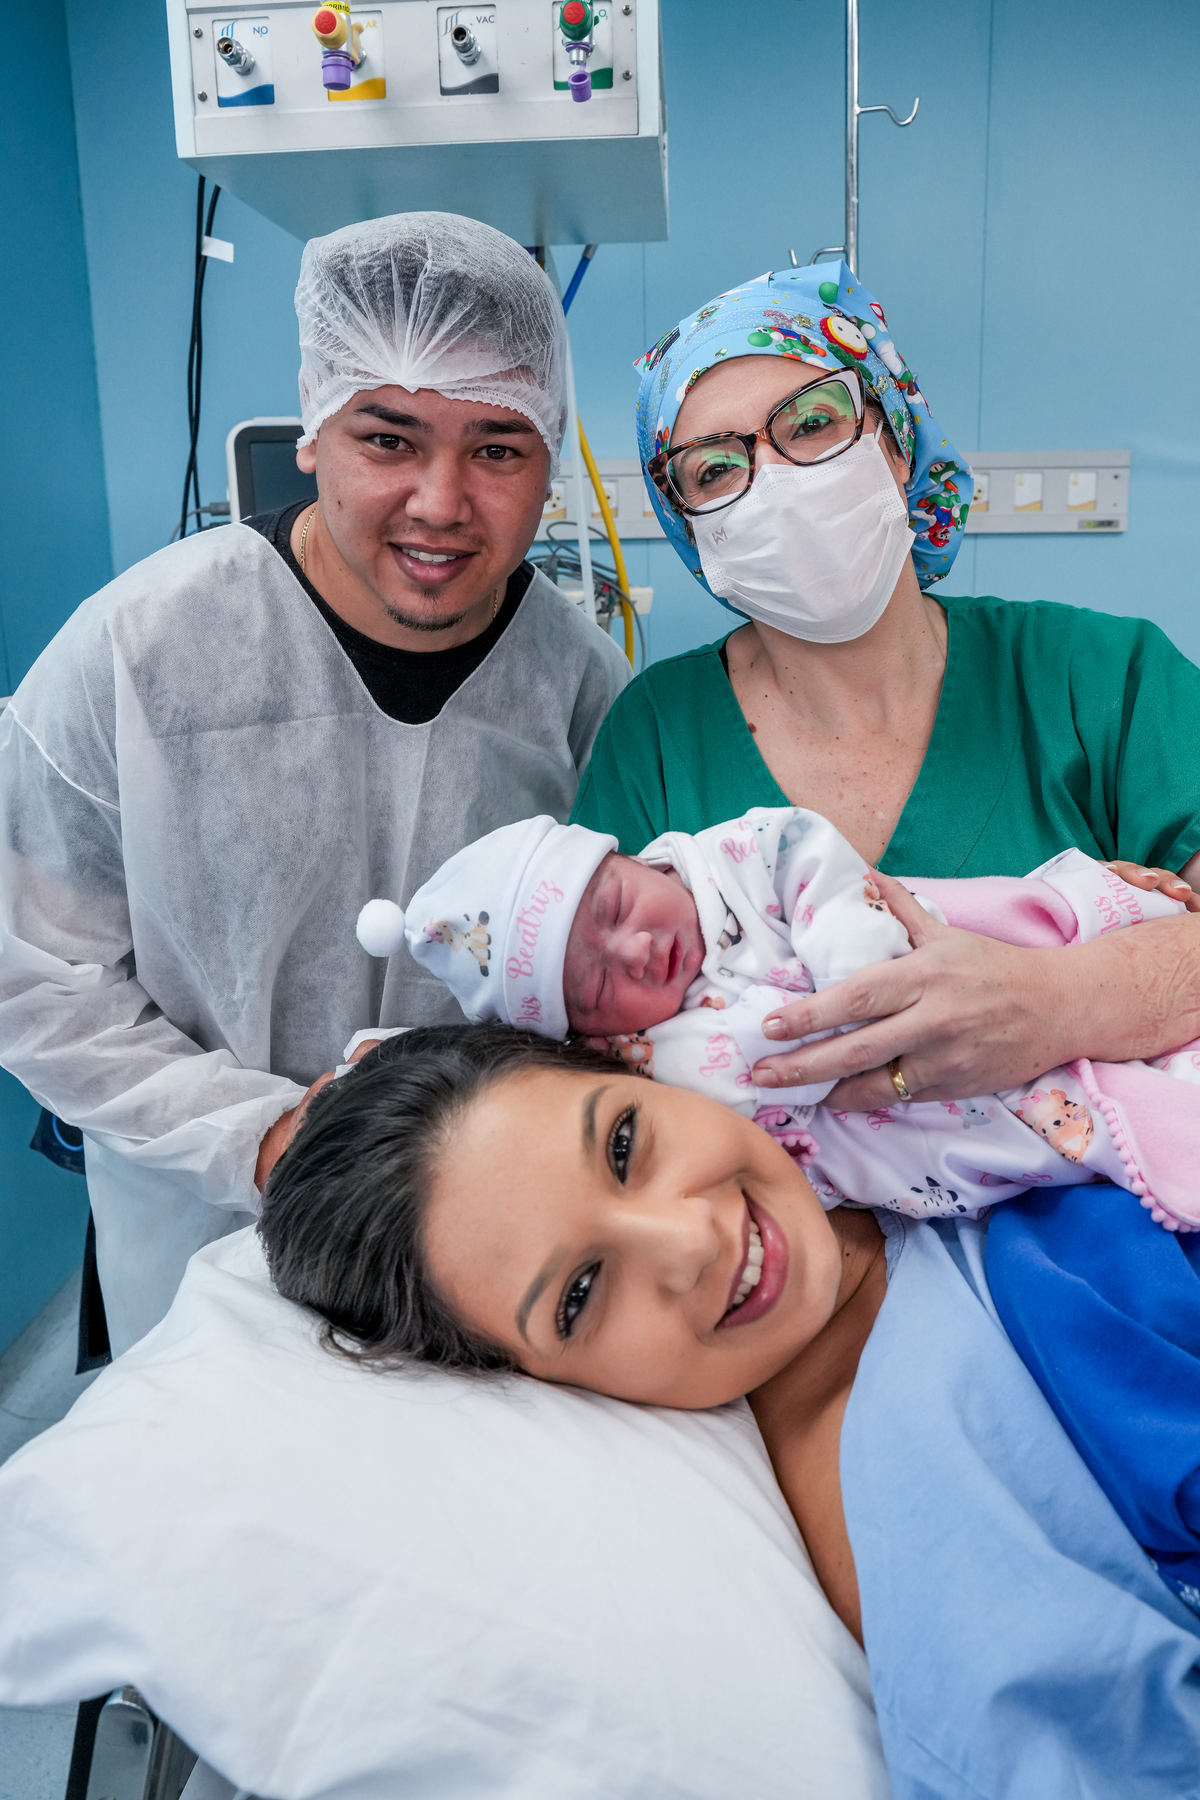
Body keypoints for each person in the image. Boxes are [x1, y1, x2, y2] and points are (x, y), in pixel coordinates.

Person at [259, 1023, 1200, 1796]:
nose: (689, 1241)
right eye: (580, 1295)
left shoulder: (943, 1096)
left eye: (624, 1145)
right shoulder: (922, 1496)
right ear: (533, 1379)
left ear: (643, 1067)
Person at [0, 210, 627, 1354]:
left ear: (550, 459)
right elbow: (36, 977)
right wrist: (266, 1135)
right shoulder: (136, 652)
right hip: (199, 1239)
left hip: (479, 1253)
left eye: (497, 449)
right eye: (389, 439)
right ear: (313, 428)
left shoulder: (583, 690)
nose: (440, 502)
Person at [569, 261, 1200, 1118]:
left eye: (813, 423)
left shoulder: (1098, 676)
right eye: (714, 470)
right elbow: (592, 1057)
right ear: (692, 531)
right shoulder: (656, 736)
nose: (776, 480)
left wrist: (1059, 1001)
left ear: (897, 440)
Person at [354, 805, 1200, 1227]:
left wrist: (852, 969)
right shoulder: (644, 1063)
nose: (635, 951)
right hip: (929, 1135)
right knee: (1090, 1129)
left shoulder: (740, 861)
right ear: (583, 1034)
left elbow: (813, 858)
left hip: (975, 970)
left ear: (629, 856)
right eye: (593, 984)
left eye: (614, 906)